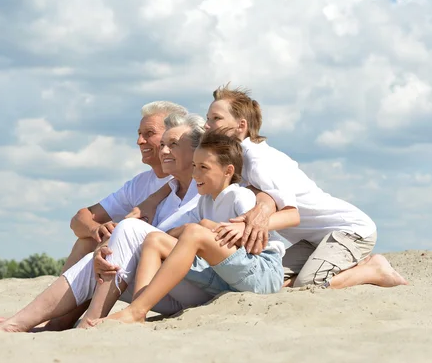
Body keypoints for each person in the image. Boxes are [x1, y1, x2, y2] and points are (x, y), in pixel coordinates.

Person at [0, 113, 216, 332]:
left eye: (173, 144)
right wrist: (103, 249)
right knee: (98, 257)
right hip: (162, 287)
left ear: (197, 151)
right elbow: (84, 218)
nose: (164, 151)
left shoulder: (209, 189)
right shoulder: (166, 194)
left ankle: (90, 322)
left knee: (128, 229)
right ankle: (30, 320)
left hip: (197, 286)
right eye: (164, 143)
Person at [205, 84, 407, 289]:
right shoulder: (240, 160)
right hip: (313, 241)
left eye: (216, 118)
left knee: (308, 283)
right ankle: (335, 265)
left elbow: (293, 216)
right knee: (267, 275)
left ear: (241, 125)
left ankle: (373, 269)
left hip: (349, 230)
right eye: (207, 118)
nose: (207, 125)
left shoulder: (259, 160)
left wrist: (245, 226)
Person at [92, 129, 296, 324]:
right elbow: (171, 234)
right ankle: (138, 308)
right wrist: (202, 226)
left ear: (228, 171)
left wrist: (205, 228)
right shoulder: (204, 202)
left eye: (203, 168)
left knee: (194, 232)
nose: (195, 174)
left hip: (262, 273)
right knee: (154, 240)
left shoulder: (240, 196)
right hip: (226, 276)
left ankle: (136, 311)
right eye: (194, 166)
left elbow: (258, 245)